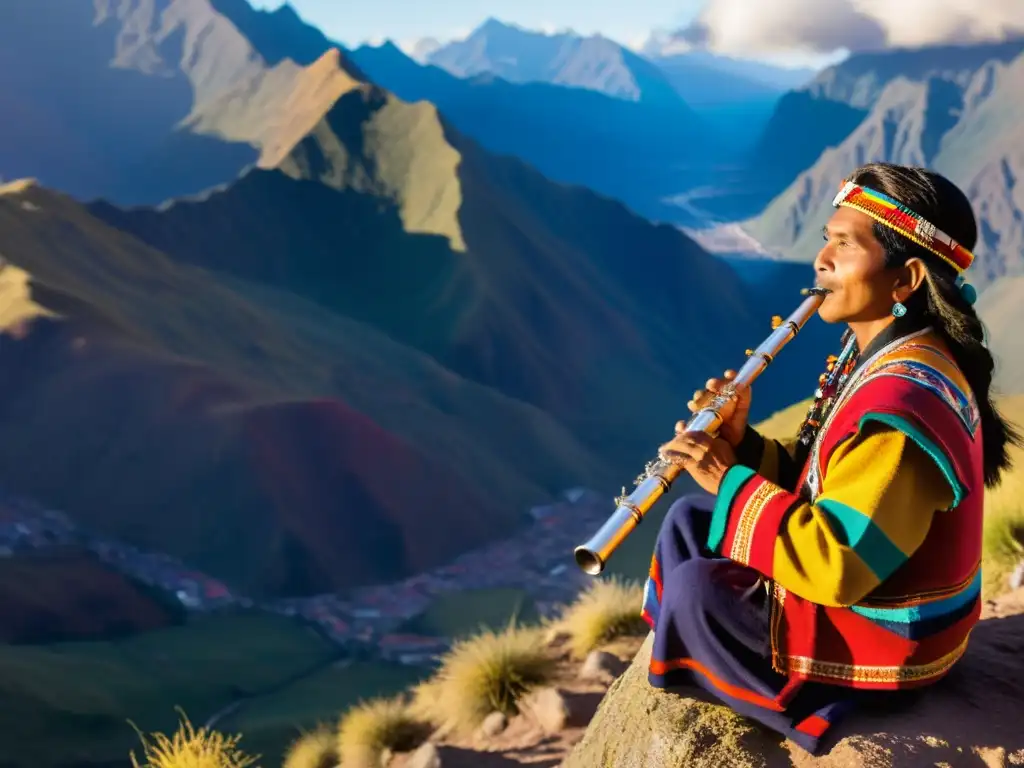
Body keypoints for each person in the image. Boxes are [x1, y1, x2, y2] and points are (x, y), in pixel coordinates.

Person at [639, 162, 1021, 755]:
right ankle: (702, 655)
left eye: (846, 245)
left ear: (905, 281)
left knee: (696, 592)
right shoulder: (876, 351)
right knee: (690, 524)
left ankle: (810, 701)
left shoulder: (904, 402)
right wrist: (740, 446)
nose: (822, 259)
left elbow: (838, 564)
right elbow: (826, 482)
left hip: (895, 641)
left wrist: (727, 477)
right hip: (869, 590)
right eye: (826, 239)